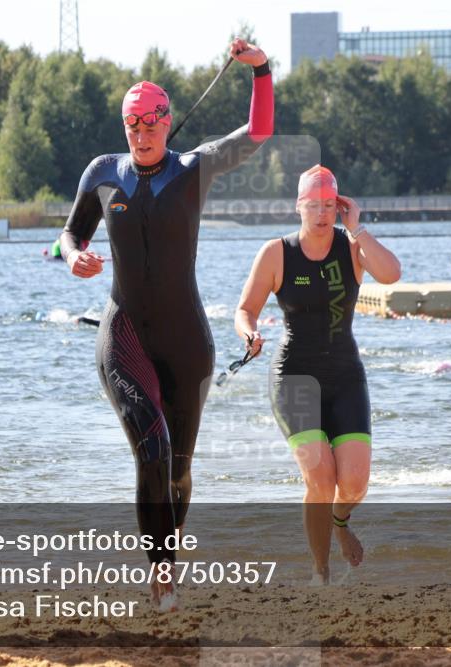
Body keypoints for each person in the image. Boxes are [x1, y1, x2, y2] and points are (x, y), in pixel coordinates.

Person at [59, 38, 273, 611]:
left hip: (186, 344)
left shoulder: (192, 169)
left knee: (178, 471)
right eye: (133, 124)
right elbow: (69, 235)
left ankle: (168, 567)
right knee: (150, 446)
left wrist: (261, 71)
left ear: (167, 120)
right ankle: (158, 575)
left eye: (152, 121)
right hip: (125, 334)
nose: (142, 131)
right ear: (125, 127)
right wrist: (71, 254)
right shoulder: (104, 174)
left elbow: (256, 135)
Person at [234, 165, 401, 584]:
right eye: (314, 206)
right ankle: (321, 570)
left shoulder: (351, 248)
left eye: (330, 205)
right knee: (321, 477)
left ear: (340, 207)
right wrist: (250, 333)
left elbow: (392, 274)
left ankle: (340, 524)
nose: (323, 214)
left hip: (345, 375)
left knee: (356, 483)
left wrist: (357, 228)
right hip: (294, 377)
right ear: (299, 207)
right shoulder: (277, 253)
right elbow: (245, 310)